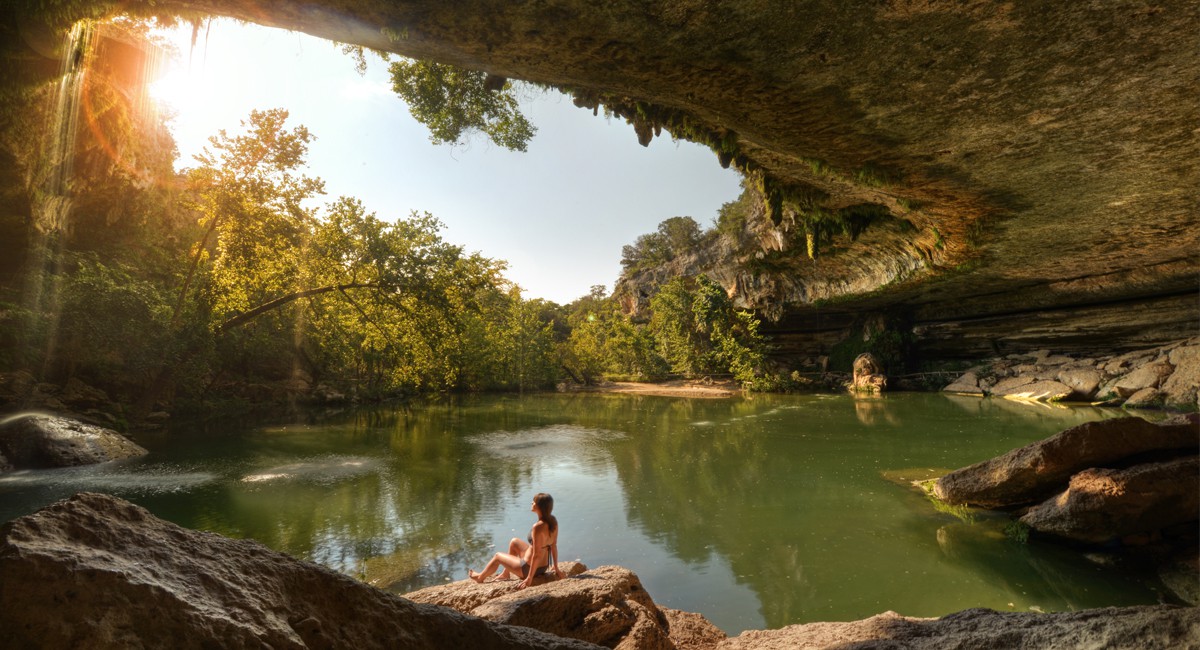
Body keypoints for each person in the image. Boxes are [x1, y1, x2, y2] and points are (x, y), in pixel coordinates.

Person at [468, 492, 561, 590]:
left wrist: (529, 578)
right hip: (543, 566)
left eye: (533, 502)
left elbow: (537, 554)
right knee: (514, 541)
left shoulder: (538, 527)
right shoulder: (553, 521)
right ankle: (506, 573)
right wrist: (556, 567)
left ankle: (479, 577)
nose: (531, 503)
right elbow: (554, 545)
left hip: (527, 568)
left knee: (497, 556)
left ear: (539, 507)